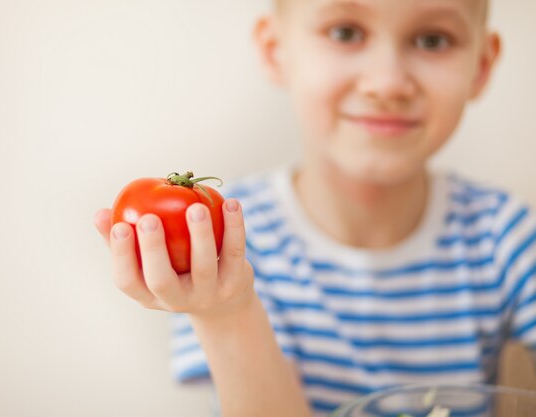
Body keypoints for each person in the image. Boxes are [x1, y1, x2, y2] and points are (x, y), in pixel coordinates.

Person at [94, 0, 536, 416]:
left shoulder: (505, 235)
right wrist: (225, 312)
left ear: (481, 66)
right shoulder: (225, 240)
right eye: (345, 32)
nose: (386, 83)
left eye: (433, 41)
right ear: (275, 52)